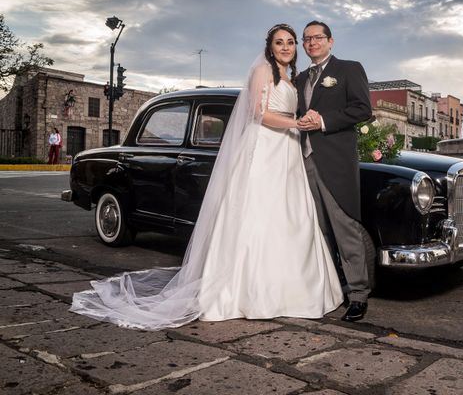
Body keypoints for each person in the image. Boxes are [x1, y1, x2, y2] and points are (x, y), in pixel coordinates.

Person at [70, 24, 343, 330]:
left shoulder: (292, 80)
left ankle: (293, 289)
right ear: (269, 46)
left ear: (296, 47)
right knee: (257, 214)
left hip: (287, 152)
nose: (285, 46)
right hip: (264, 149)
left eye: (290, 42)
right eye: (279, 42)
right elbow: (257, 112)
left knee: (290, 216)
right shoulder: (262, 72)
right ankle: (247, 292)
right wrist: (296, 123)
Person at [297, 21, 373, 322]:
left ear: (330, 41)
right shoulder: (300, 78)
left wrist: (323, 121)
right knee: (319, 230)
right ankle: (331, 288)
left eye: (318, 38)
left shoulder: (349, 69)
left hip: (336, 163)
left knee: (345, 227)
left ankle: (358, 294)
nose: (312, 43)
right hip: (303, 162)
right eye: (307, 39)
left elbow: (362, 109)